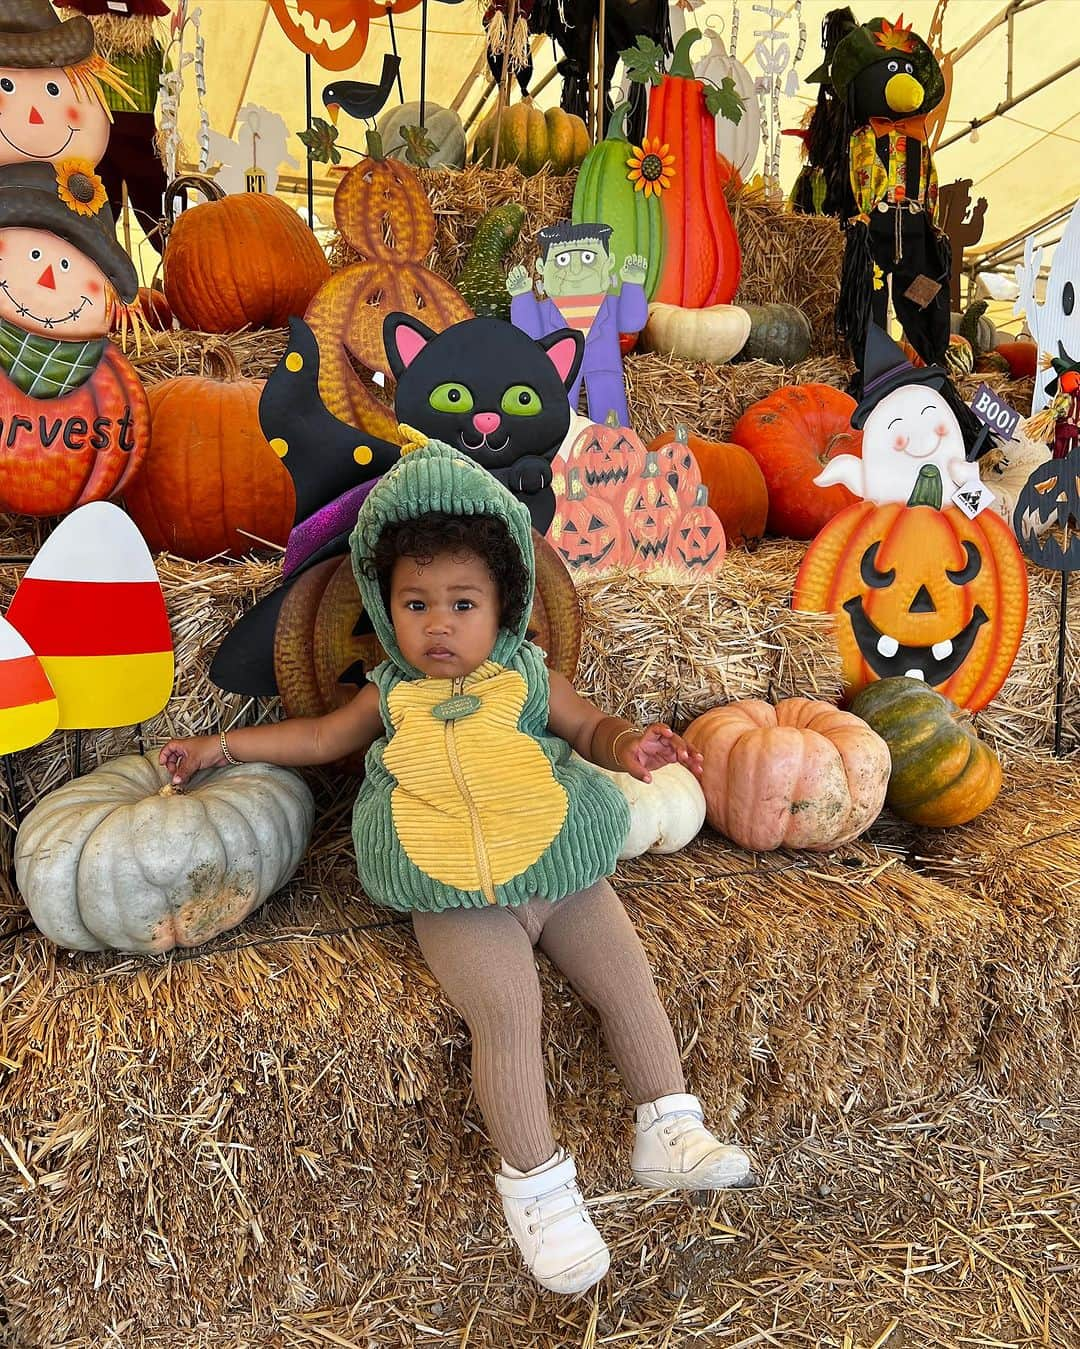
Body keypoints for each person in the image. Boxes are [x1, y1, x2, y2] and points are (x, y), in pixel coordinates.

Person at [161, 440, 752, 1296]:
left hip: (558, 868)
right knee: (507, 1012)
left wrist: (631, 742)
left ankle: (668, 1125)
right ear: (384, 605)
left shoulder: (524, 673)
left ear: (503, 605)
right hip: (454, 895)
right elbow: (319, 739)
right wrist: (220, 744)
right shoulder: (387, 693)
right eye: (415, 603)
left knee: (627, 977)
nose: (438, 623)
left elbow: (588, 727)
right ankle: (540, 1189)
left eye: (462, 603)